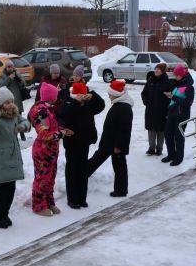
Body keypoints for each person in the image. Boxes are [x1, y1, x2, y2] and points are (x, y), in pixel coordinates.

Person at [0, 87, 31, 228]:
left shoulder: (14, 114)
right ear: (0, 104)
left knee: (11, 189)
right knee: (2, 190)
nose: (10, 105)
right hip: (1, 156)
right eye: (7, 102)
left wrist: (22, 126)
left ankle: (5, 213)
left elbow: (27, 122)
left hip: (13, 155)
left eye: (11, 101)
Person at [58, 81, 105, 209]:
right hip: (72, 142)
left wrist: (93, 95)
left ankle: (82, 198)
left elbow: (101, 106)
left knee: (82, 170)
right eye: (81, 95)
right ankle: (72, 199)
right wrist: (76, 102)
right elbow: (63, 115)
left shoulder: (89, 103)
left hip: (85, 141)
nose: (83, 98)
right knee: (72, 170)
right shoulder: (68, 102)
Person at [28, 82, 72, 216]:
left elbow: (51, 129)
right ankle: (38, 205)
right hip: (43, 151)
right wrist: (61, 134)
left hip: (51, 151)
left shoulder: (49, 109)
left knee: (50, 177)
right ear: (50, 97)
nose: (57, 98)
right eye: (55, 95)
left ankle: (49, 202)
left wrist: (61, 130)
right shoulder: (41, 112)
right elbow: (43, 134)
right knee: (42, 178)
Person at [86, 80, 134, 197]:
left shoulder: (124, 108)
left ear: (117, 94)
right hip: (109, 142)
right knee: (98, 158)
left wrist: (119, 146)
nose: (109, 96)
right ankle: (84, 173)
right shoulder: (119, 105)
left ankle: (121, 190)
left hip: (115, 144)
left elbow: (124, 130)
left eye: (110, 94)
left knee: (119, 167)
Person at [162, 65, 194, 167]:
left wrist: (173, 97)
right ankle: (171, 155)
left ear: (181, 75)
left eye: (177, 75)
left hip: (182, 115)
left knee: (178, 136)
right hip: (172, 113)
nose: (175, 76)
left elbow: (188, 103)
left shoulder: (189, 87)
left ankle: (179, 157)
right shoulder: (178, 84)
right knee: (168, 134)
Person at [141, 63, 172, 156]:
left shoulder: (167, 82)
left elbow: (170, 96)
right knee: (151, 130)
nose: (156, 70)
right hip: (150, 110)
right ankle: (151, 148)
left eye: (158, 69)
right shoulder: (150, 80)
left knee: (161, 130)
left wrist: (167, 106)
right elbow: (144, 93)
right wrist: (146, 102)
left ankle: (159, 149)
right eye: (156, 69)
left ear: (162, 71)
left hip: (162, 110)